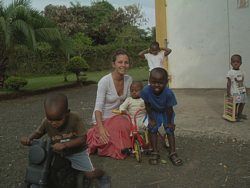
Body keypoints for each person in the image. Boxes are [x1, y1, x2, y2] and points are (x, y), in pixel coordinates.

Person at [20, 93, 104, 186]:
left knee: (89, 174)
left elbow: (82, 139)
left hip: (76, 151)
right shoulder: (46, 122)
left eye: (58, 120)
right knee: (46, 169)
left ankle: (100, 173)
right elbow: (38, 133)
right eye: (50, 120)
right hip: (57, 152)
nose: (54, 123)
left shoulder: (74, 118)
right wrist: (29, 138)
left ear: (67, 113)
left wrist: (65, 145)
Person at [87, 49, 133, 159]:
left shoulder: (129, 79)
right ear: (114, 64)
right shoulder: (104, 81)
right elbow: (98, 108)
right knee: (108, 139)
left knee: (126, 127)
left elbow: (129, 101)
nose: (123, 65)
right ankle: (94, 134)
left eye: (126, 62)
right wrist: (101, 128)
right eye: (120, 62)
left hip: (118, 116)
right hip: (103, 118)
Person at [140, 67, 182, 166]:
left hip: (166, 112)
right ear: (149, 80)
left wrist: (170, 122)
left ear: (166, 82)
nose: (156, 85)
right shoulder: (146, 91)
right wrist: (151, 118)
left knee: (169, 130)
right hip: (153, 111)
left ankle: (173, 153)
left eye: (160, 82)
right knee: (152, 128)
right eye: (153, 82)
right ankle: (155, 151)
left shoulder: (168, 93)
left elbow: (169, 109)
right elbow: (147, 105)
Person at [227, 54, 248, 121]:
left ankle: (239, 114)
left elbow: (242, 81)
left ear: (240, 63)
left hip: (242, 91)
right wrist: (228, 92)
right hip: (235, 91)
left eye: (237, 62)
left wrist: (245, 89)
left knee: (242, 102)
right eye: (234, 62)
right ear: (231, 63)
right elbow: (229, 83)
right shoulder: (230, 72)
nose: (235, 63)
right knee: (236, 103)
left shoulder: (241, 72)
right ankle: (234, 115)